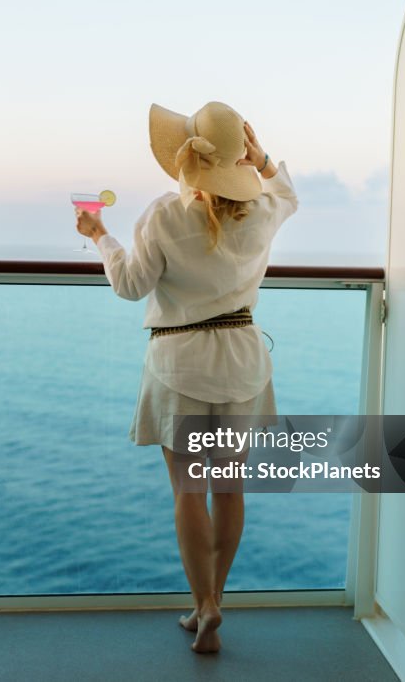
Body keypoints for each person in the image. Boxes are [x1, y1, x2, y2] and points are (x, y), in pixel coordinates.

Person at [73, 101, 298, 654]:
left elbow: (130, 285)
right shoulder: (264, 211)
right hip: (242, 363)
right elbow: (289, 193)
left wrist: (99, 235)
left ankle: (203, 608)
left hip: (181, 367)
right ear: (237, 156)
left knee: (188, 492)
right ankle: (214, 600)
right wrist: (262, 157)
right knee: (229, 489)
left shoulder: (163, 215)